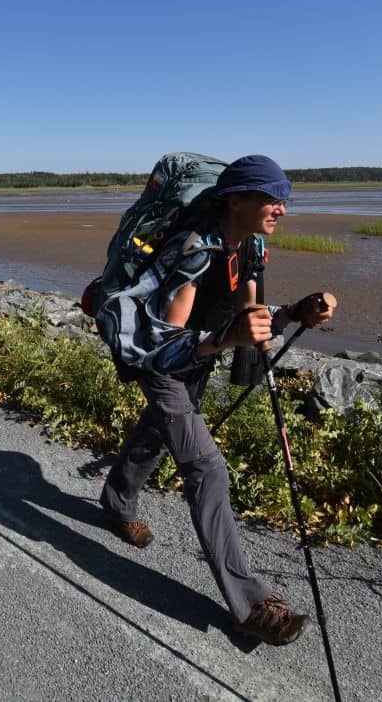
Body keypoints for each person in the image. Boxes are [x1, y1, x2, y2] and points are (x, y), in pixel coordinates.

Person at [98, 154, 334, 645]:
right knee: (206, 466)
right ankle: (249, 605)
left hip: (197, 358)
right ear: (237, 199)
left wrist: (294, 312)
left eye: (284, 200)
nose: (282, 210)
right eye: (272, 199)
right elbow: (164, 345)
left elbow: (247, 310)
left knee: (158, 434)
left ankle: (116, 501)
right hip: (161, 362)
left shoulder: (248, 246)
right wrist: (227, 339)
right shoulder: (192, 253)